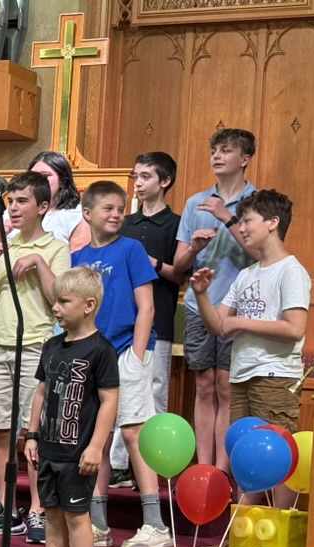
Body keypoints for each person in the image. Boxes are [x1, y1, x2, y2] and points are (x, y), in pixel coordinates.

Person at [189, 189, 309, 512]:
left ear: (273, 222)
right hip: (242, 375)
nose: (240, 228)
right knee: (244, 458)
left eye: (247, 220)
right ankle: (243, 530)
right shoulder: (246, 275)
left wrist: (240, 322)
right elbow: (218, 325)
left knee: (279, 455)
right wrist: (201, 294)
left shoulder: (291, 271)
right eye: (239, 221)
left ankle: (280, 527)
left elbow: (294, 328)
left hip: (275, 376)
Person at [0, 172, 70, 542]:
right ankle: (5, 507)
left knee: (34, 432)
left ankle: (38, 511)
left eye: (22, 201)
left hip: (35, 345)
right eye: (10, 201)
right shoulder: (4, 244)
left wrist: (39, 264)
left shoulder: (55, 247)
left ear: (43, 207)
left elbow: (58, 298)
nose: (13, 208)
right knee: (0, 429)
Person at [72, 181, 169, 547]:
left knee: (133, 433)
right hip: (93, 355)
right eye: (108, 208)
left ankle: (155, 524)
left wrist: (139, 355)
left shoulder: (131, 249)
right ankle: (98, 522)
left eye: (120, 209)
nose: (116, 215)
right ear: (87, 213)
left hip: (127, 351)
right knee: (96, 437)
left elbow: (146, 306)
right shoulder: (78, 257)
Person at [173, 129, 257, 476]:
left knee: (226, 385)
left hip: (239, 308)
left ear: (245, 159)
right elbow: (179, 265)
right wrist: (193, 247)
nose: (217, 156)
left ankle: (223, 470)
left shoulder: (257, 201)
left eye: (226, 151)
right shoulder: (196, 202)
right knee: (204, 384)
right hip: (199, 305)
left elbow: (260, 253)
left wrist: (227, 217)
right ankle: (204, 468)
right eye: (214, 151)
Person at [24, 267, 120, 547]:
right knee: (51, 514)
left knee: (76, 517)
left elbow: (109, 401)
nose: (55, 307)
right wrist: (32, 435)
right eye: (55, 301)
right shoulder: (52, 346)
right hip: (48, 449)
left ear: (89, 305)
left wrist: (96, 447)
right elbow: (41, 393)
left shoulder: (101, 350)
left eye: (64, 301)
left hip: (77, 454)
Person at [109, 152, 182, 490]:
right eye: (135, 176)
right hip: (123, 324)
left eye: (146, 177)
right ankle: (118, 465)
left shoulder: (174, 224)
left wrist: (151, 263)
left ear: (164, 181)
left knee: (154, 394)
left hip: (159, 320)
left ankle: (152, 466)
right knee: (118, 394)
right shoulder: (124, 224)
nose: (137, 183)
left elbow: (180, 274)